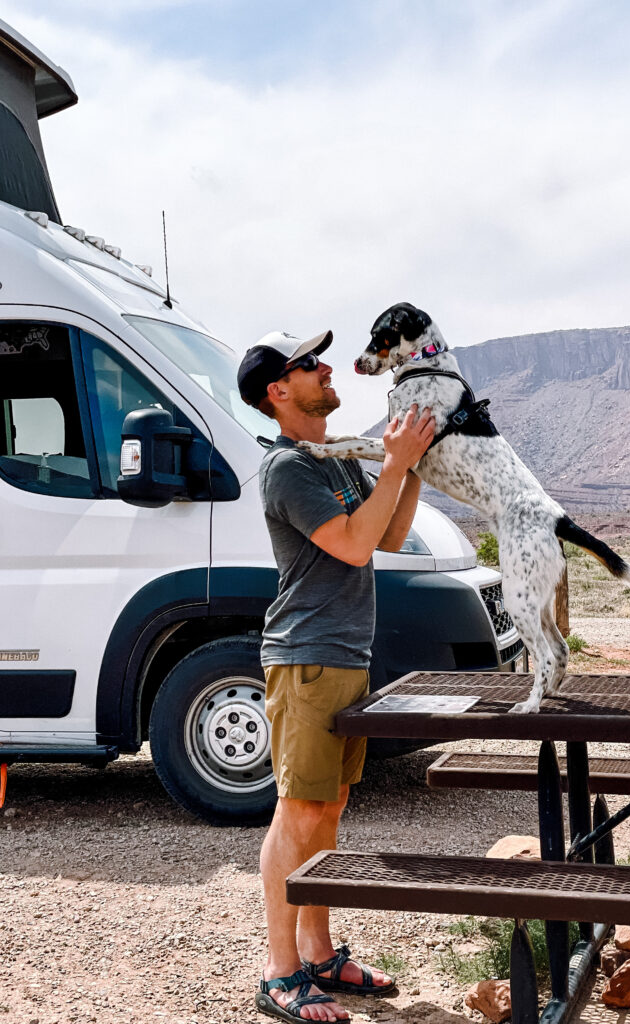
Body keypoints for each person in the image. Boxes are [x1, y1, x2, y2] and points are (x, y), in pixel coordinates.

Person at [237, 329, 435, 1024]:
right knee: (298, 815)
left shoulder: (330, 458)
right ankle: (279, 971)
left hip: (344, 656)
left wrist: (407, 467)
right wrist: (394, 464)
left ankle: (320, 955)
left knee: (329, 812)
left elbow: (385, 535)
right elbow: (351, 546)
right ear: (279, 390)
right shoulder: (288, 468)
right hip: (306, 658)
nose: (327, 367)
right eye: (309, 364)